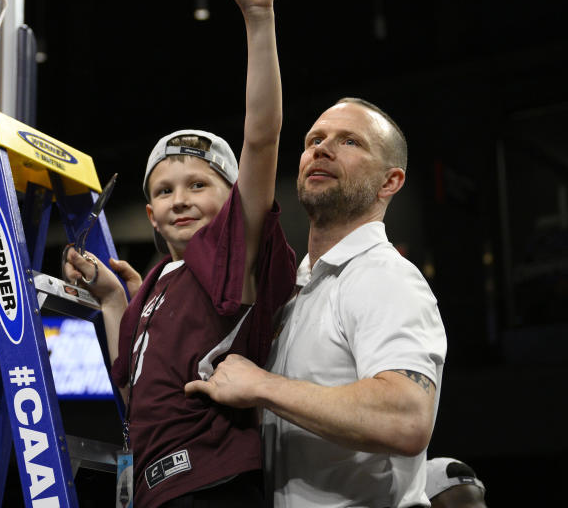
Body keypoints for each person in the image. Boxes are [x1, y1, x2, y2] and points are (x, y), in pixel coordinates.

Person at [63, 0, 296, 508]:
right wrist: (115, 300)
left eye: (199, 185)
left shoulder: (229, 257)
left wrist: (258, 18)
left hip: (213, 486)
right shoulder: (159, 284)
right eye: (165, 191)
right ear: (149, 214)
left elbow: (261, 137)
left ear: (235, 198)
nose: (180, 199)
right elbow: (129, 387)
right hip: (156, 490)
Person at [184, 98, 448, 507]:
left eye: (350, 142)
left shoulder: (384, 275)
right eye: (315, 140)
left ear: (390, 182)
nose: (321, 149)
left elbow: (407, 418)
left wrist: (262, 385)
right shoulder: (298, 290)